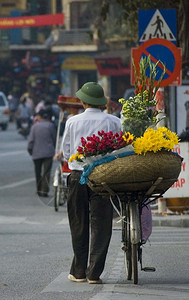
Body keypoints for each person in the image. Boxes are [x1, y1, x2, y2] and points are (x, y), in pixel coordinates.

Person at [59, 82, 122, 284]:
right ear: (102, 102)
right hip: (104, 176)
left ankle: (78, 272)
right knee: (101, 224)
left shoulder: (72, 121)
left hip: (78, 176)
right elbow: (120, 148)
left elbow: (67, 153)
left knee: (78, 223)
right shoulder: (114, 121)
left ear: (83, 101)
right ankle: (94, 273)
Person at [27, 109, 56, 197]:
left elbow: (31, 141)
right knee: (46, 172)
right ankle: (44, 190)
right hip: (48, 153)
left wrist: (30, 151)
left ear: (39, 117)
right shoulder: (50, 125)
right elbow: (54, 139)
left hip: (36, 153)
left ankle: (39, 189)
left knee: (38, 172)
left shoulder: (34, 127)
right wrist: (53, 148)